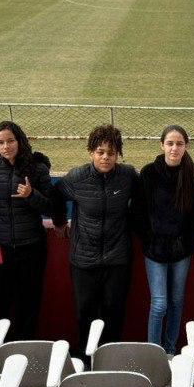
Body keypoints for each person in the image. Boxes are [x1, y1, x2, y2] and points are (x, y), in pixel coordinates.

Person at [51, 124, 140, 351]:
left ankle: (109, 360)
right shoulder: (77, 177)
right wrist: (60, 222)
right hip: (83, 261)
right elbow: (56, 195)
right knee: (85, 313)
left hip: (117, 260)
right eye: (100, 152)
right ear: (91, 152)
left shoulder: (128, 176)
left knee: (114, 313)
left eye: (111, 153)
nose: (105, 157)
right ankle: (85, 360)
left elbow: (141, 203)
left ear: (117, 154)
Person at [0, 121, 52, 341]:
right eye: (0, 142)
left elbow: (50, 206)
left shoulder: (37, 169)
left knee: (28, 303)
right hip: (0, 248)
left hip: (32, 247)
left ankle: (24, 351)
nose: (6, 146)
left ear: (19, 141)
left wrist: (31, 195)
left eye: (10, 141)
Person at [136, 126, 194, 354]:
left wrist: (187, 243)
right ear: (162, 145)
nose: (175, 148)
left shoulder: (192, 175)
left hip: (181, 251)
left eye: (180, 144)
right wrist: (148, 239)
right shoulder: (148, 173)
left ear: (186, 146)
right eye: (170, 143)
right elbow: (138, 211)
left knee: (176, 303)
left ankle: (170, 350)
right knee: (159, 304)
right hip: (155, 251)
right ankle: (154, 353)